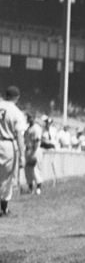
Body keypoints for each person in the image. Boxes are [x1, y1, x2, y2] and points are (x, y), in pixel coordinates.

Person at [0, 85, 27, 216]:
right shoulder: (16, 111)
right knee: (6, 177)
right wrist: (23, 155)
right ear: (17, 98)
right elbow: (20, 135)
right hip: (7, 144)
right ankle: (3, 208)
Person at [23, 112, 44, 194]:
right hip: (28, 150)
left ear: (34, 118)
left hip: (35, 150)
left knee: (36, 170)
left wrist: (33, 151)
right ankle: (30, 188)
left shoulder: (36, 128)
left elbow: (37, 140)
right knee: (28, 170)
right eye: (28, 117)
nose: (29, 119)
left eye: (30, 117)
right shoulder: (28, 128)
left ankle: (38, 188)